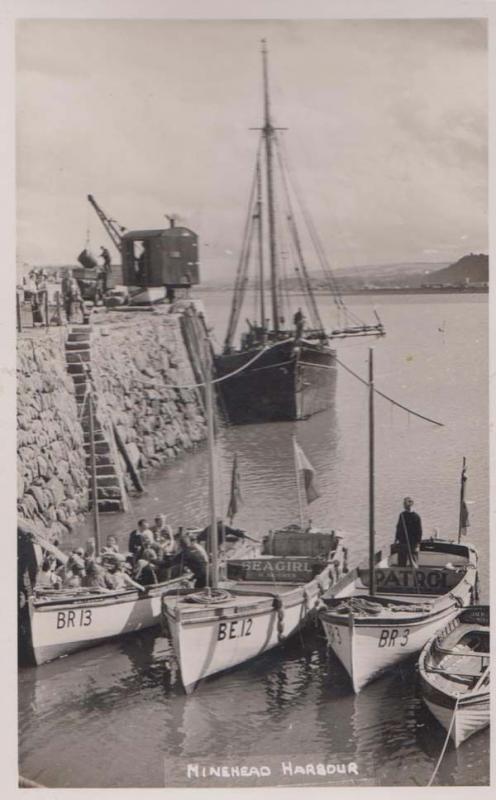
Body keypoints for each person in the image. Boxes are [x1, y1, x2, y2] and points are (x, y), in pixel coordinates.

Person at [394, 496, 423, 567]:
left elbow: (419, 531)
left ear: (412, 503)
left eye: (407, 503)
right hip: (403, 542)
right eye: (404, 503)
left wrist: (418, 542)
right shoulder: (402, 515)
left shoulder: (416, 516)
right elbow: (399, 528)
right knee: (401, 563)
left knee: (414, 562)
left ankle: (414, 575)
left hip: (413, 543)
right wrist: (396, 539)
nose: (405, 505)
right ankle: (401, 576)